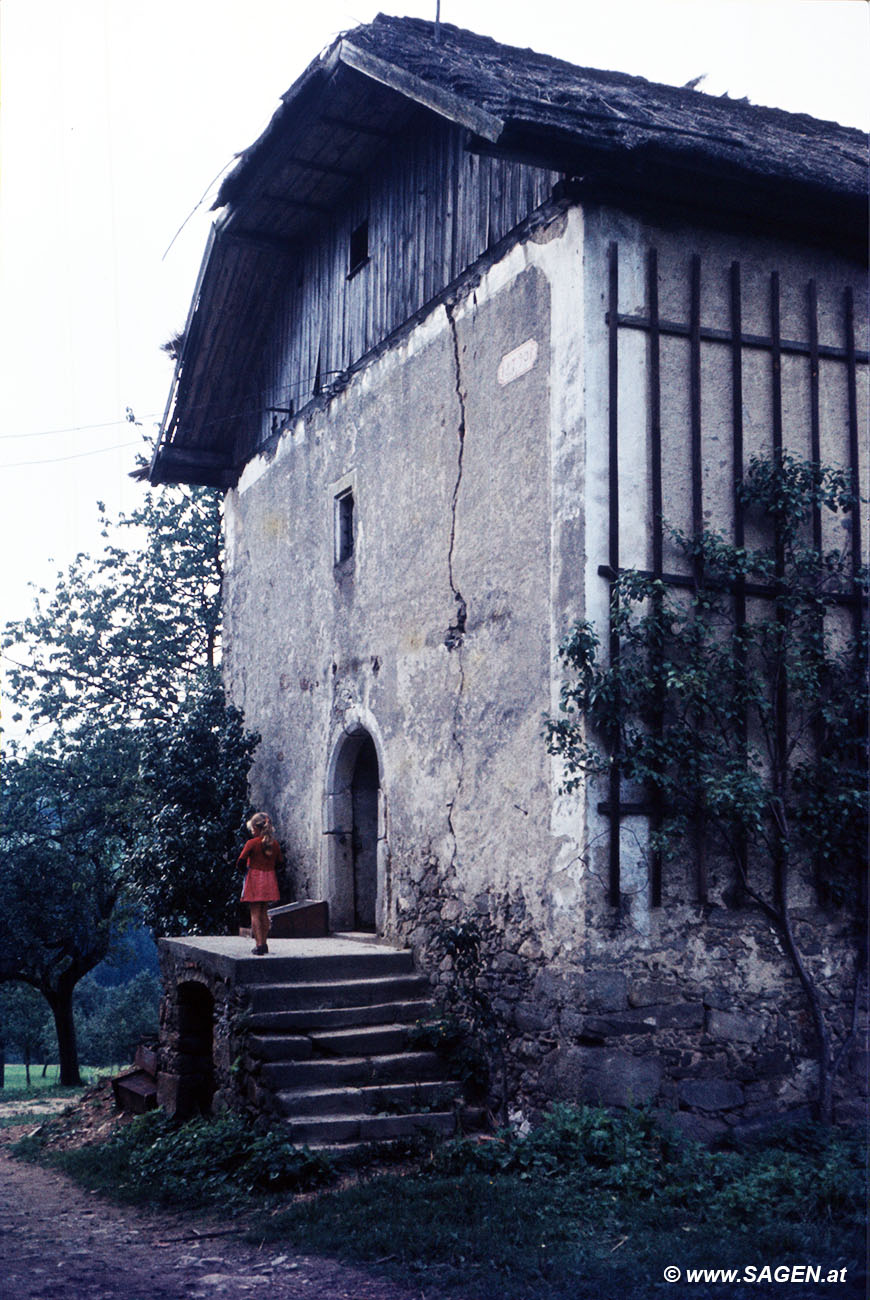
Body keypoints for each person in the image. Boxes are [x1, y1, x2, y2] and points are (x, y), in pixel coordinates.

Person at [238, 812, 282, 954]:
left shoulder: (252, 843)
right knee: (264, 912)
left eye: (252, 829)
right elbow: (280, 862)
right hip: (269, 878)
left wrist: (246, 870)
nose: (252, 832)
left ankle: (259, 945)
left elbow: (240, 861)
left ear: (256, 829)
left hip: (255, 878)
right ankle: (265, 942)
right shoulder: (274, 844)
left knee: (255, 913)